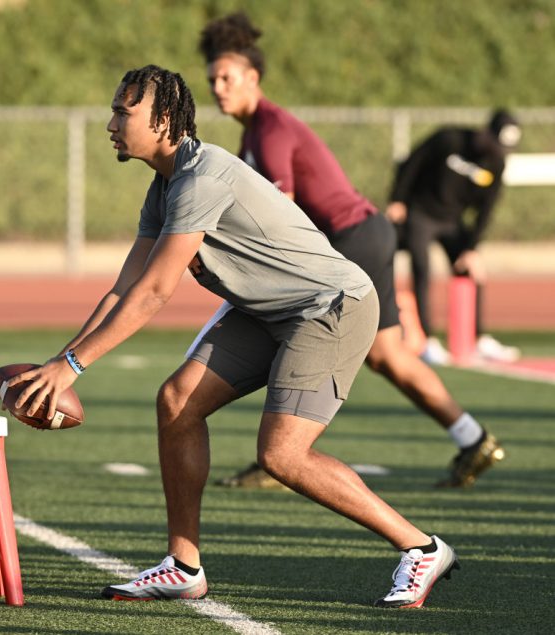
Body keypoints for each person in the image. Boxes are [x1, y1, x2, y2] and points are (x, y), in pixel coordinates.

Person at [4, 65, 458, 608]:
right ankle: (183, 565)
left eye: (123, 112)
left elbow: (153, 293)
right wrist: (60, 362)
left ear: (164, 119)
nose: (110, 123)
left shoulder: (201, 178)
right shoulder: (165, 184)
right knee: (177, 402)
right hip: (267, 312)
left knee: (283, 455)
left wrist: (73, 367)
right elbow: (124, 288)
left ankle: (421, 547)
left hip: (329, 308)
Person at [197, 12, 504, 491]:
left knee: (292, 328)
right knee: (387, 355)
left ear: (252, 78)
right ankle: (474, 438)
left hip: (351, 239)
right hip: (368, 233)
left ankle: (280, 454)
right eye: (212, 78)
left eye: (227, 78)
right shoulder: (253, 132)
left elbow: (281, 212)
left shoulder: (271, 130)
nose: (218, 87)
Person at [386, 109, 523, 366]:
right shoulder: (449, 139)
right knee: (422, 269)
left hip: (452, 222)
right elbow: (411, 162)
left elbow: (486, 211)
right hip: (421, 213)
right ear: (485, 132)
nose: (494, 151)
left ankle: (477, 338)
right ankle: (427, 340)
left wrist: (470, 249)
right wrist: (397, 199)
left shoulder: (496, 163)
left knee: (472, 270)